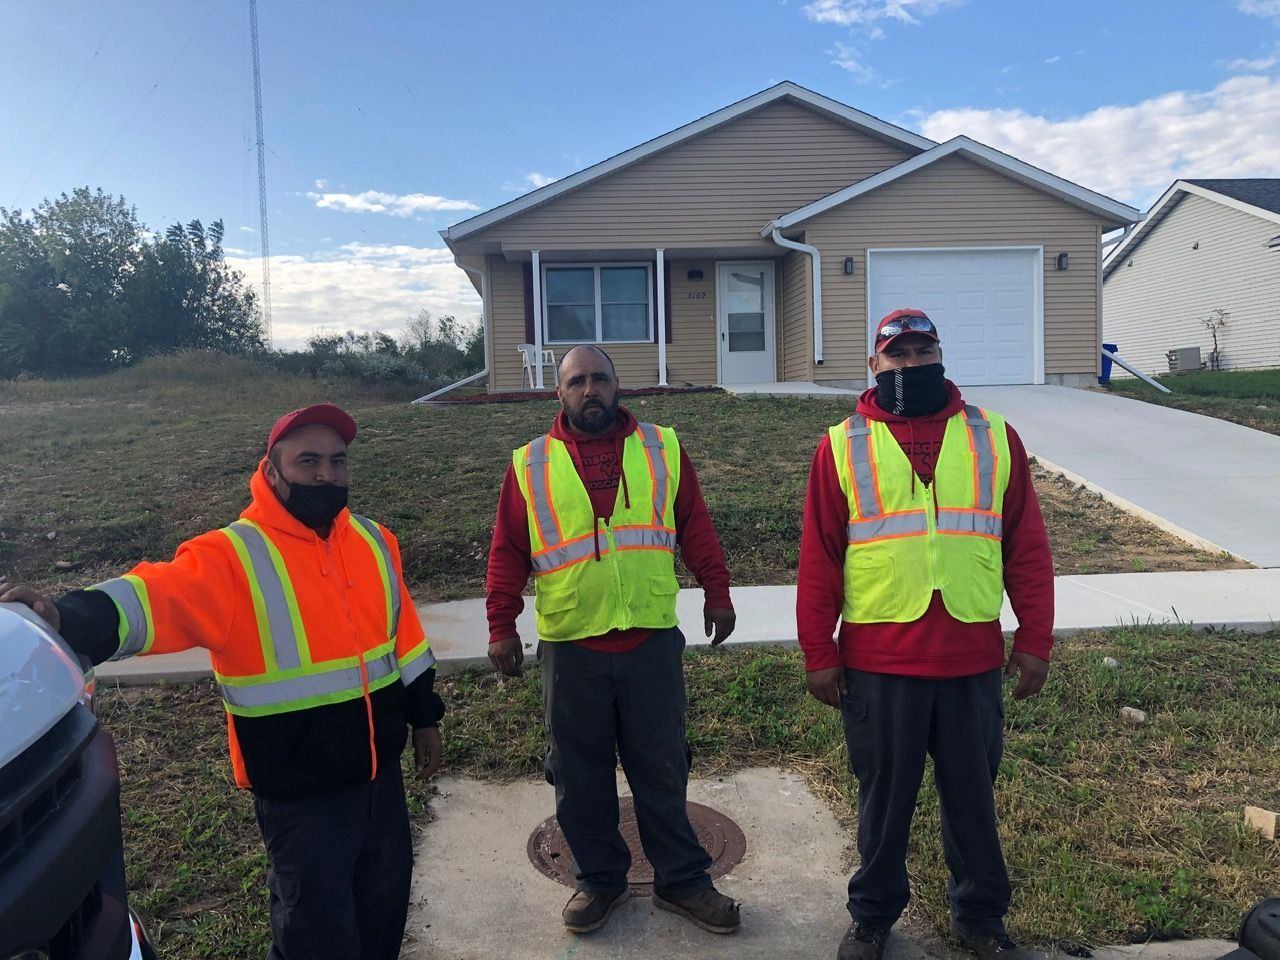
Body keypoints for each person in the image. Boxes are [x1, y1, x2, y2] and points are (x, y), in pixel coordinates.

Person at [1, 403, 444, 960]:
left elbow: (405, 641)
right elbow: (152, 597)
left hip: (381, 784)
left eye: (337, 462)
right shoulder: (234, 555)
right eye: (308, 461)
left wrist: (424, 716)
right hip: (300, 796)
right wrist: (68, 616)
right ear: (272, 469)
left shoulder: (376, 542)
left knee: (382, 916)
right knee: (316, 936)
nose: (326, 476)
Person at [796, 310, 1054, 960]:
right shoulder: (842, 445)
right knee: (883, 805)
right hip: (880, 666)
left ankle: (980, 919)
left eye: (922, 350)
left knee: (972, 802)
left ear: (940, 353)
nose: (911, 363)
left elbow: (1026, 547)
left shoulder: (995, 438)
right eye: (898, 353)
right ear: (875, 365)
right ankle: (874, 917)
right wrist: (818, 652)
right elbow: (819, 558)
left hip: (969, 661)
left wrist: (1035, 637)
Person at [486, 344, 741, 936]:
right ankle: (599, 881)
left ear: (618, 385)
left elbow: (694, 525)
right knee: (579, 774)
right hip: (572, 647)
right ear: (559, 392)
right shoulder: (530, 464)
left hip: (649, 641)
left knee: (662, 766)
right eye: (577, 381)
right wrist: (501, 625)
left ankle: (683, 881)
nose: (590, 390)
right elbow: (507, 550)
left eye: (599, 379)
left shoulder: (662, 449)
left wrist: (718, 591)